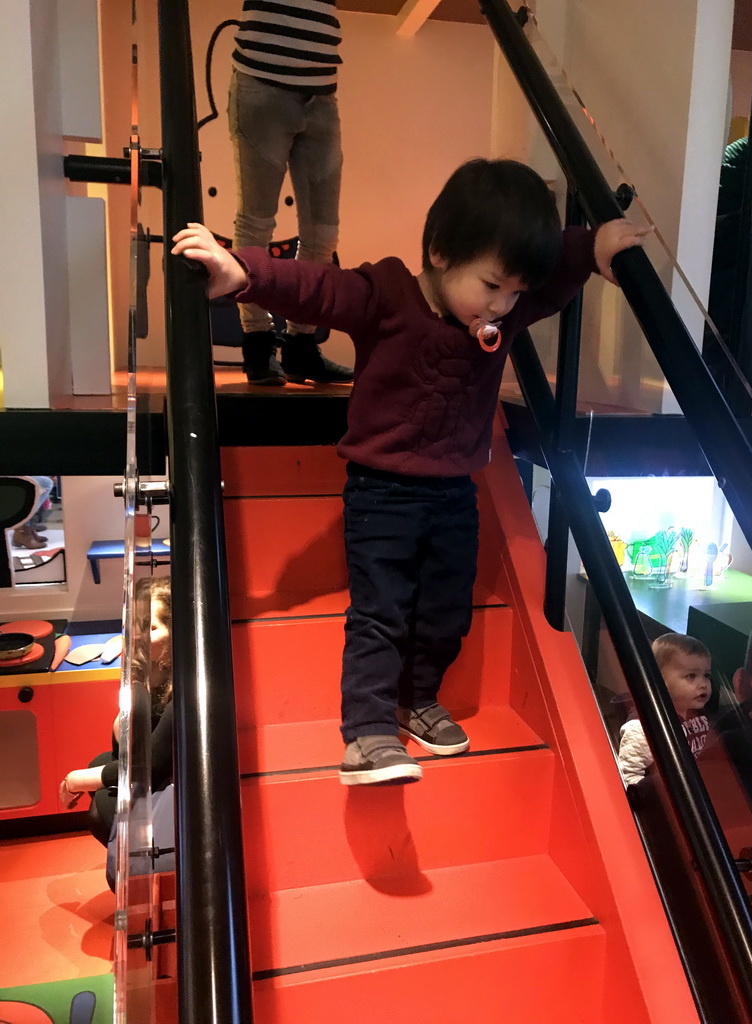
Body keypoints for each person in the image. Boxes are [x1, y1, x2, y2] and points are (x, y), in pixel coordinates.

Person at [172, 157, 649, 785]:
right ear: (441, 253)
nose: (505, 306)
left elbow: (555, 277)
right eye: (493, 285)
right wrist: (243, 274)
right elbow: (316, 286)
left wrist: (595, 244)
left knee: (447, 609)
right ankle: (366, 733)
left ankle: (415, 699)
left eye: (514, 293)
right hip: (382, 492)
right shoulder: (385, 294)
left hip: (455, 491)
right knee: (382, 610)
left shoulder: (499, 317)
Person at [229, 0, 353, 386]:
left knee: (322, 233)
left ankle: (301, 344)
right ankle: (258, 342)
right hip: (261, 81)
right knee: (257, 223)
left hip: (322, 91)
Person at [59, 577, 173, 844]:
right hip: (155, 769)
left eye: (150, 627)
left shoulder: (184, 687)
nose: (136, 637)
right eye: (134, 626)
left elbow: (151, 765)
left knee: (102, 807)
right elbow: (126, 740)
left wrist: (76, 780)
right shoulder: (155, 666)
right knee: (99, 763)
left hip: (177, 784)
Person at [618, 633, 712, 786]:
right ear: (660, 680)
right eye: (691, 676)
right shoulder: (642, 729)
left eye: (706, 675)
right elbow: (628, 776)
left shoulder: (697, 714)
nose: (703, 684)